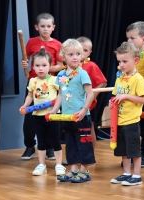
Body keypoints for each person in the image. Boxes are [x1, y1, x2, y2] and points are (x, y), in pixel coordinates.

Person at [49, 39, 95, 183]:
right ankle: (73, 169)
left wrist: (84, 109)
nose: (75, 57)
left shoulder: (82, 74)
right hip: (67, 117)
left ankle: (84, 171)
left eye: (77, 54)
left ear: (82, 56)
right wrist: (54, 110)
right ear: (63, 56)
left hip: (81, 117)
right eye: (70, 54)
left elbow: (90, 94)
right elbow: (60, 95)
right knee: (70, 144)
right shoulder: (61, 75)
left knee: (84, 143)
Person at [20, 13, 63, 160]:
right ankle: (30, 146)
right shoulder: (32, 42)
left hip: (50, 84)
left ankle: (50, 147)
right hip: (34, 83)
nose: (45, 29)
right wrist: (24, 64)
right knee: (30, 116)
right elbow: (26, 60)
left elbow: (61, 65)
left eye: (48, 26)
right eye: (42, 26)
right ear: (37, 27)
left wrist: (46, 69)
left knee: (50, 116)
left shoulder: (57, 44)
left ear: (53, 28)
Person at [19, 48, 65, 176]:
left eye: (44, 65)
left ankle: (59, 165)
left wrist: (57, 106)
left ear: (50, 66)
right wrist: (25, 105)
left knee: (55, 141)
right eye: (37, 65)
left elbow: (62, 92)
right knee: (41, 141)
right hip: (38, 116)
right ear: (33, 67)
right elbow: (29, 96)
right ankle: (41, 164)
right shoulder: (33, 81)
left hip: (53, 116)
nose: (41, 68)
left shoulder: (54, 80)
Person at [110, 42, 144, 186]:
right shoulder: (120, 77)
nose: (121, 64)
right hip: (119, 120)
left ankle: (137, 175)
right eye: (119, 61)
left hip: (131, 121)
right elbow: (115, 96)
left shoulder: (138, 79)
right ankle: (126, 173)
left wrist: (126, 97)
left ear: (135, 61)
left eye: (125, 61)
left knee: (134, 150)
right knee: (123, 150)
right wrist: (112, 103)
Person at [126, 21, 144, 167]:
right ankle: (132, 154)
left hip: (143, 96)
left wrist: (143, 85)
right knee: (131, 127)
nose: (129, 41)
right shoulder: (128, 55)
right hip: (130, 97)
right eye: (128, 38)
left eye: (132, 38)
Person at [77, 36, 107, 148]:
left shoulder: (91, 65)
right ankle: (76, 155)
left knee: (89, 128)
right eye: (79, 49)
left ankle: (91, 154)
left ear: (90, 52)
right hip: (74, 104)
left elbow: (103, 82)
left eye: (85, 50)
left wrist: (92, 97)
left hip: (89, 105)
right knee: (75, 129)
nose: (82, 52)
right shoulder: (70, 67)